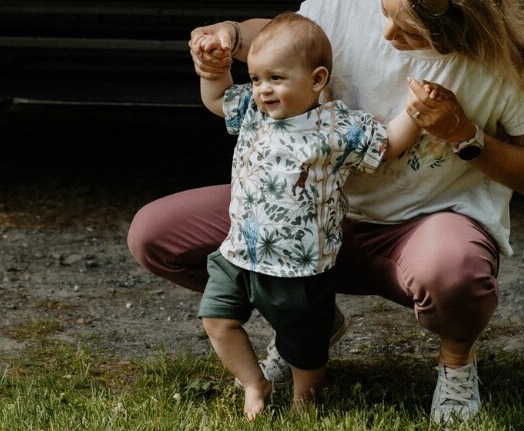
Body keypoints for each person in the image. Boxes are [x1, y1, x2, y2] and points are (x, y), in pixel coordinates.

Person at [127, 0, 524, 424]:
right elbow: (288, 36)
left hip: (419, 229)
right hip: (302, 224)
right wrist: (230, 35)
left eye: (405, 29)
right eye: (384, 15)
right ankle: (307, 322)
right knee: (154, 234)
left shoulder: (502, 63)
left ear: (458, 24)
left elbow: (388, 143)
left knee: (455, 272)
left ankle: (457, 363)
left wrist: (461, 133)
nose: (385, 33)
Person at [195, 11, 423, 420]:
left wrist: (417, 112)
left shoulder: (334, 126)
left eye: (276, 78)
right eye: (257, 77)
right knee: (216, 320)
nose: (263, 89)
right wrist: (214, 71)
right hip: (239, 254)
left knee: (306, 350)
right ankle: (254, 382)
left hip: (300, 268)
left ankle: (306, 403)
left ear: (317, 80)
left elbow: (388, 143)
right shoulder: (252, 109)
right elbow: (216, 99)